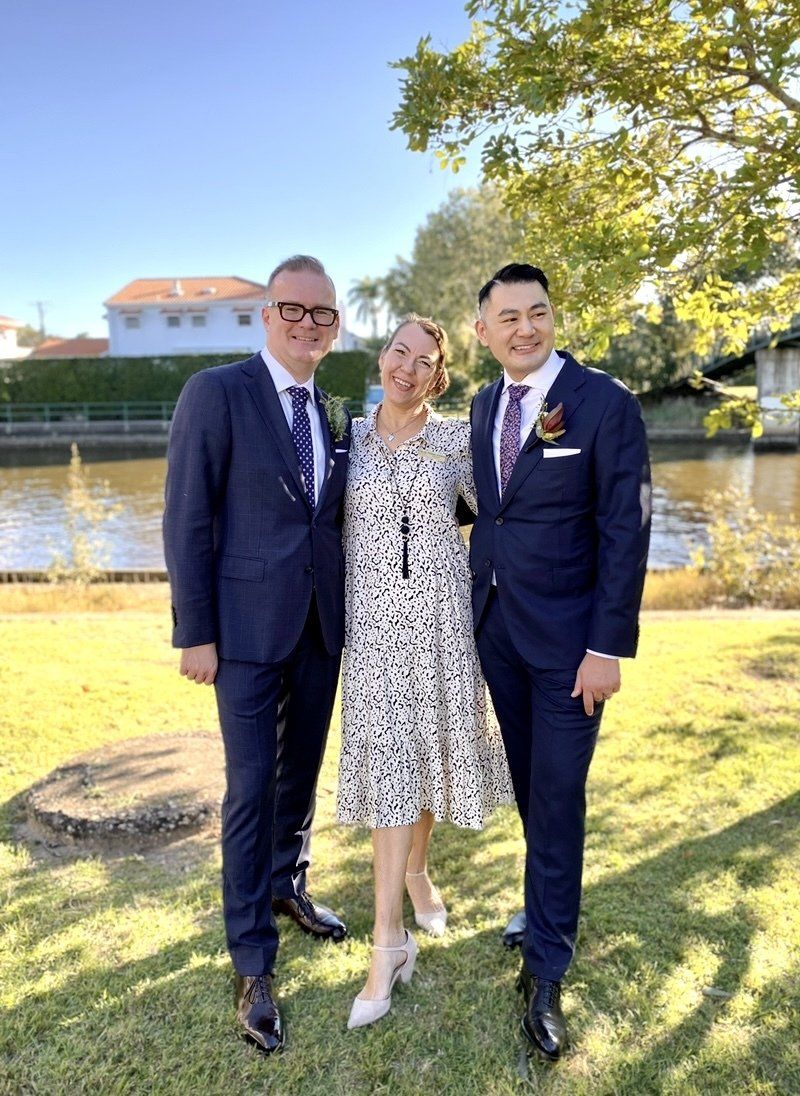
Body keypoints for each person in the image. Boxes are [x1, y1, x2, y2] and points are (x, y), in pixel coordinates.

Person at [163, 255, 352, 1054]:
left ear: (335, 327)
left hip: (318, 627)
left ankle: (288, 885)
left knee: (301, 774)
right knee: (249, 789)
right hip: (241, 633)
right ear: (267, 315)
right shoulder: (217, 392)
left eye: (323, 314)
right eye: (294, 309)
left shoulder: (334, 413)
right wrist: (194, 632)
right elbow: (187, 517)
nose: (308, 323)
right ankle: (251, 961)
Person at [469, 264, 651, 1060]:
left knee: (558, 796)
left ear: (552, 317)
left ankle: (546, 970)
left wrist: (606, 648)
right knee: (531, 792)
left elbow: (627, 531)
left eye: (536, 313)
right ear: (483, 331)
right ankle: (540, 909)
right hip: (499, 635)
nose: (524, 328)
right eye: (507, 318)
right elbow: (489, 509)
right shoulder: (482, 407)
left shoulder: (606, 403)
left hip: (574, 650)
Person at [336, 314, 513, 1029]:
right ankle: (388, 942)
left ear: (439, 376)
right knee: (390, 772)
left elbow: (501, 508)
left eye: (424, 361)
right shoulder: (344, 436)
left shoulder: (456, 440)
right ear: (382, 357)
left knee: (433, 759)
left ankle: (416, 871)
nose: (407, 368)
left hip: (441, 626)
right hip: (373, 631)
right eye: (398, 352)